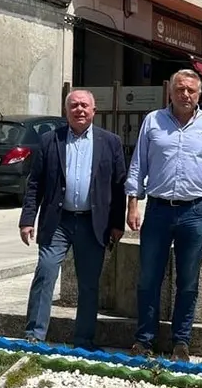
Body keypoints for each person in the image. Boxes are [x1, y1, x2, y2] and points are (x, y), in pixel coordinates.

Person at [125, 70, 202, 362]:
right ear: (170, 93)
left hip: (195, 212)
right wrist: (132, 203)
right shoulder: (153, 121)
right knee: (149, 277)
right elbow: (139, 164)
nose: (185, 95)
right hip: (159, 210)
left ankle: (181, 342)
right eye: (180, 89)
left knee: (188, 281)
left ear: (200, 95)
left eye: (191, 91)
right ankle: (144, 340)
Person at [19, 90, 126, 350]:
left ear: (93, 111)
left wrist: (116, 224)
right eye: (74, 105)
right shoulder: (49, 140)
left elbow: (119, 186)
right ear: (66, 111)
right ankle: (34, 335)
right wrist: (27, 219)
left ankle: (83, 340)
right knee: (45, 272)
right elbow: (35, 183)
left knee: (88, 284)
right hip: (58, 222)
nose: (79, 110)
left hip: (93, 223)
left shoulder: (110, 142)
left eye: (84, 105)